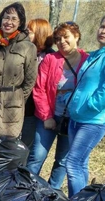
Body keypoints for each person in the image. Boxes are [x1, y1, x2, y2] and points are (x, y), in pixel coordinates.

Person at [66, 11, 105, 197]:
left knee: (72, 163)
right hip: (76, 117)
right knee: (80, 163)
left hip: (94, 120)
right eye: (102, 26)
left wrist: (90, 106)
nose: (104, 31)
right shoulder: (95, 54)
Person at [27, 22, 88, 190]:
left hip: (73, 120)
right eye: (58, 39)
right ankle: (26, 190)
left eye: (66, 37)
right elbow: (39, 88)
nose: (61, 41)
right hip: (48, 117)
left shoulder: (88, 61)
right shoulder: (50, 59)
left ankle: (52, 193)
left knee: (62, 160)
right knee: (37, 156)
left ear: (76, 36)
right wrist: (47, 117)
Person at [0, 2, 38, 138]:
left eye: (14, 18)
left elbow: (30, 80)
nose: (9, 22)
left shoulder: (28, 48)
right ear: (0, 20)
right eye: (6, 17)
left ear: (20, 23)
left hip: (11, 106)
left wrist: (17, 97)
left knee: (6, 150)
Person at [21, 18, 55, 149]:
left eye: (30, 32)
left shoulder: (51, 56)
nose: (27, 34)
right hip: (23, 105)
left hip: (41, 109)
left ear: (40, 34)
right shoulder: (23, 51)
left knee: (30, 147)